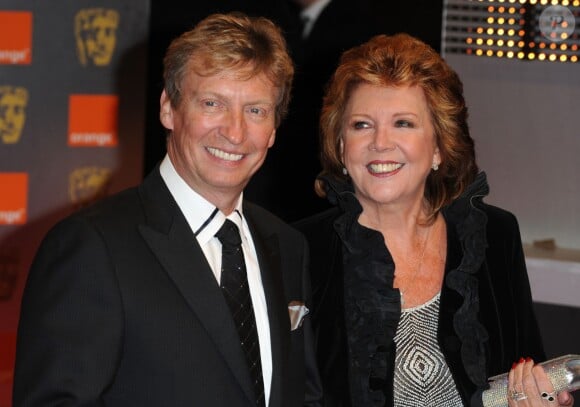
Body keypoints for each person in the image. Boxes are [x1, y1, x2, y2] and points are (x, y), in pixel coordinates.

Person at [13, 12, 322, 406]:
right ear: (168, 109)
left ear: (274, 129)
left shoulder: (287, 245)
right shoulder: (92, 247)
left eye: (256, 111)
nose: (235, 131)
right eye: (212, 103)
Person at [293, 33, 575, 406]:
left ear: (439, 147)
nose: (381, 142)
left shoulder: (493, 237)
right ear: (341, 147)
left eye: (403, 123)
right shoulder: (298, 250)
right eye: (361, 125)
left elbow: (529, 373)